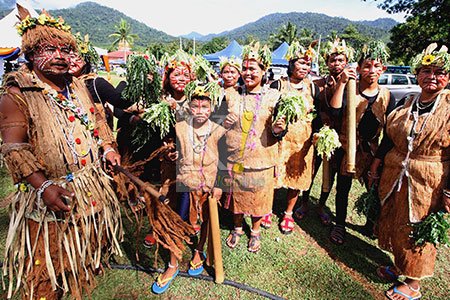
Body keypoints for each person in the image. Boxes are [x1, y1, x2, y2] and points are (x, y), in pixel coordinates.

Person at [0, 6, 122, 299]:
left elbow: (98, 121)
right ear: (30, 54)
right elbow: (14, 148)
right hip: (48, 194)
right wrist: (42, 186)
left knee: (85, 253)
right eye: (48, 49)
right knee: (47, 265)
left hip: (88, 187)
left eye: (66, 50)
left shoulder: (78, 86)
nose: (60, 56)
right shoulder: (16, 94)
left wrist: (107, 148)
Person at [373, 43, 450, 300]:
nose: (432, 76)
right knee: (396, 220)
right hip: (395, 174)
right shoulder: (407, 102)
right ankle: (399, 266)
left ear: (448, 77)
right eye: (426, 70)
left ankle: (413, 283)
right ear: (417, 74)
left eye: (439, 72)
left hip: (428, 179)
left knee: (418, 226)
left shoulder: (448, 108)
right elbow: (389, 139)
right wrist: (377, 162)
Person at [151, 81, 226, 294]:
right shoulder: (180, 127)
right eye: (196, 106)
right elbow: (170, 149)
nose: (200, 111)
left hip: (209, 186)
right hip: (185, 184)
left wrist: (220, 184)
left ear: (211, 108)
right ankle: (173, 263)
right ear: (189, 108)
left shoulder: (219, 130)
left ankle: (199, 251)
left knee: (206, 221)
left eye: (204, 107)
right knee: (178, 221)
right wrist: (170, 154)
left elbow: (227, 160)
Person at [328, 40, 396, 245]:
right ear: (358, 69)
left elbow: (390, 131)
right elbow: (335, 112)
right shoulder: (350, 89)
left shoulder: (387, 96)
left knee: (373, 188)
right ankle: (339, 224)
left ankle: (371, 223)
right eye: (366, 66)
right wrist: (341, 83)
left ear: (383, 69)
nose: (371, 70)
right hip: (347, 147)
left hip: (373, 150)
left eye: (376, 66)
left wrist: (378, 158)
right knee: (343, 188)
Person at [224, 42, 285, 253]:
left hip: (262, 157)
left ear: (264, 70)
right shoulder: (230, 94)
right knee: (237, 194)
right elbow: (218, 123)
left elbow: (279, 132)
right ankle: (238, 227)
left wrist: (278, 129)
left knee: (259, 196)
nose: (248, 73)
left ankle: (256, 231)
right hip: (236, 157)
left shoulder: (274, 97)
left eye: (253, 69)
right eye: (245, 68)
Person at [295, 39, 354, 226]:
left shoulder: (352, 85)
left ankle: (320, 205)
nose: (336, 64)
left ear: (346, 62)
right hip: (316, 135)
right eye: (332, 60)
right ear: (326, 63)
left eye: (340, 60)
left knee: (331, 174)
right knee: (311, 170)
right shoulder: (317, 84)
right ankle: (304, 202)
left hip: (339, 139)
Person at [268, 41, 322, 234]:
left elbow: (319, 115)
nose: (304, 67)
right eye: (300, 63)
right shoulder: (278, 84)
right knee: (274, 173)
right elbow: (268, 112)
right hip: (279, 140)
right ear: (291, 64)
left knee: (296, 176)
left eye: (307, 64)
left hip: (303, 141)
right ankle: (267, 207)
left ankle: (288, 213)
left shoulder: (313, 88)